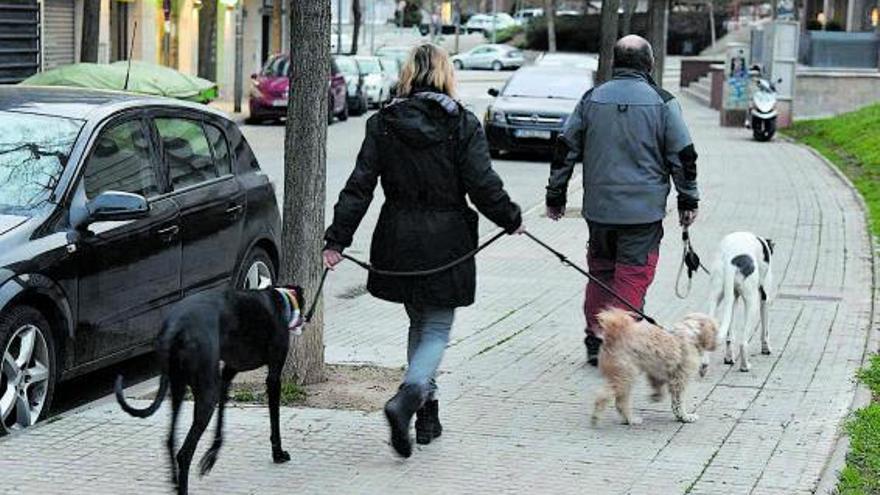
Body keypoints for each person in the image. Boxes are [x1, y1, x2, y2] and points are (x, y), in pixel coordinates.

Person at [323, 43, 523, 458]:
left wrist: (337, 239)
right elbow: (481, 183)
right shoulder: (462, 123)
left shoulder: (383, 122)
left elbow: (360, 185)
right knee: (436, 327)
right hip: (446, 240)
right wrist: (510, 217)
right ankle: (409, 395)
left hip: (398, 237)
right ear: (446, 74)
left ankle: (426, 412)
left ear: (408, 75)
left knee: (419, 320)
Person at [545, 35, 700, 366]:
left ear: (615, 63)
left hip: (599, 210)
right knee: (632, 274)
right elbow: (683, 155)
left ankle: (595, 338)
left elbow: (564, 149)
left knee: (600, 272)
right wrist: (688, 199)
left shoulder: (591, 99)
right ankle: (619, 344)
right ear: (650, 64)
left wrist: (555, 195)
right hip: (643, 214)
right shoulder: (663, 102)